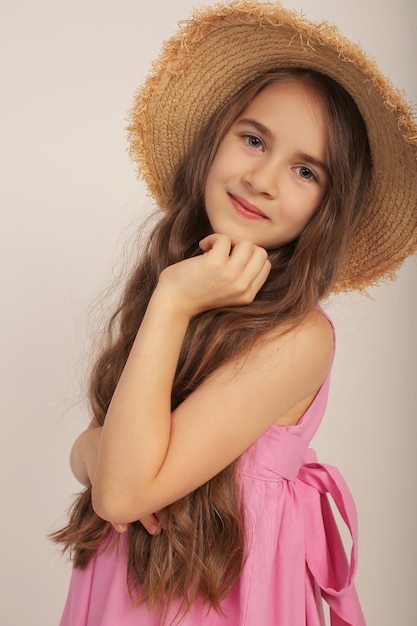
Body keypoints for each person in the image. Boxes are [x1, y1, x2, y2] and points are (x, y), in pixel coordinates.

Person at [52, 2, 417, 625]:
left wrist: (170, 303)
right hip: (128, 585)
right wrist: (97, 450)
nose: (264, 179)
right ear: (212, 142)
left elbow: (119, 488)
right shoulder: (189, 288)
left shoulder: (299, 338)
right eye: (253, 140)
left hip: (213, 602)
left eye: (305, 171)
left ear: (326, 209)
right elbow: (104, 461)